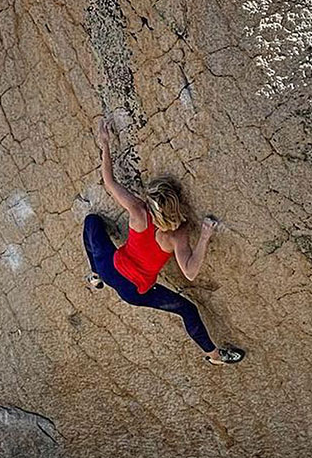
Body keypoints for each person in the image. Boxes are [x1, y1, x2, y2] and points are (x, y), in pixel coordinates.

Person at [84, 117, 245, 365]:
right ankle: (214, 356)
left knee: (92, 222)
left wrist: (105, 144)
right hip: (135, 292)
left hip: (110, 268)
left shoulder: (139, 212)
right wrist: (204, 236)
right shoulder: (177, 235)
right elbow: (190, 272)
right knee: (187, 310)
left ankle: (95, 276)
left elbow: (109, 182)